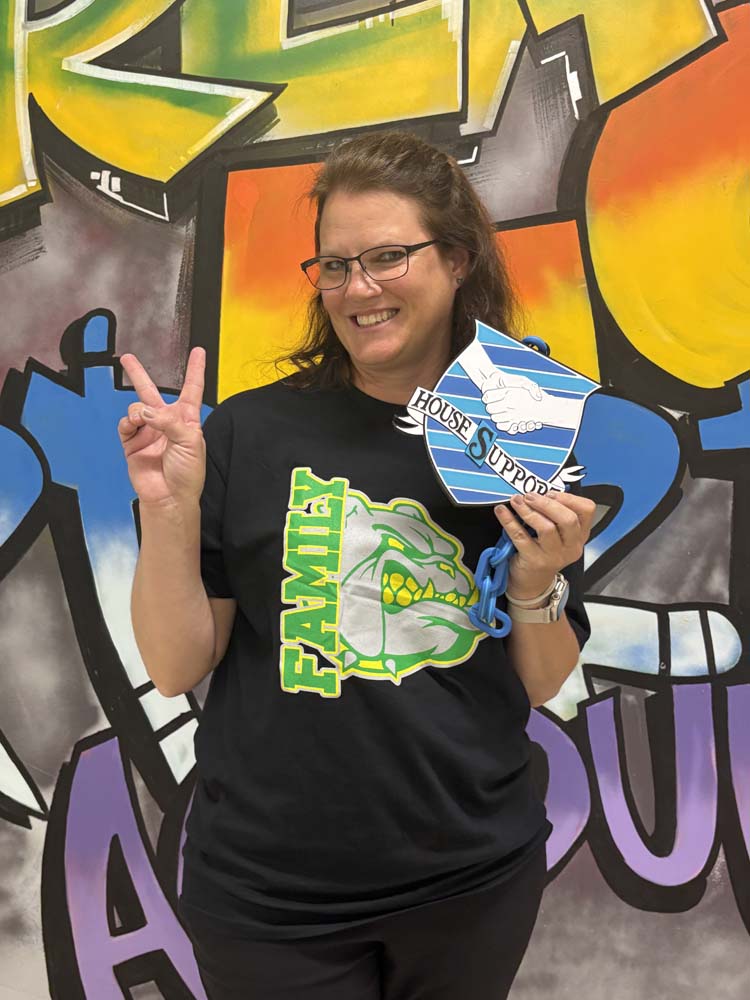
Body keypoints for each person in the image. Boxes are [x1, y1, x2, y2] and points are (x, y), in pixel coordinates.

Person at [119, 131, 595, 1000]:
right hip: (269, 897)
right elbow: (175, 664)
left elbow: (539, 681)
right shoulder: (248, 434)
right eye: (335, 267)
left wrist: (535, 583)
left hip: (472, 880)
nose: (358, 289)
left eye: (386, 257)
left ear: (456, 260)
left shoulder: (515, 435)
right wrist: (168, 510)